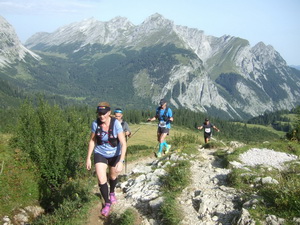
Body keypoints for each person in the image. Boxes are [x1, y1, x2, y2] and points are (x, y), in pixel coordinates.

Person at [86, 102, 127, 217]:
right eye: (100, 113)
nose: (102, 116)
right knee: (101, 178)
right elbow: (92, 141)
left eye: (104, 113)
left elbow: (123, 143)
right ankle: (107, 202)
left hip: (115, 154)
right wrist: (88, 158)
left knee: (113, 176)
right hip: (100, 153)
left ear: (109, 113)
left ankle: (112, 192)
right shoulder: (95, 124)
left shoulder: (116, 124)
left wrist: (121, 161)